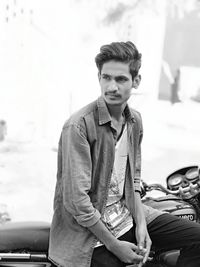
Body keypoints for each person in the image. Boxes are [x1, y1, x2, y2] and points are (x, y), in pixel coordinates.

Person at [49, 41, 200, 267]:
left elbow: (133, 180)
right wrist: (115, 246)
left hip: (128, 215)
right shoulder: (78, 127)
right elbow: (77, 202)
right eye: (106, 77)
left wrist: (141, 224)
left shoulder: (134, 121)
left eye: (120, 79)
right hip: (91, 235)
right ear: (98, 77)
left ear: (136, 81)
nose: (111, 87)